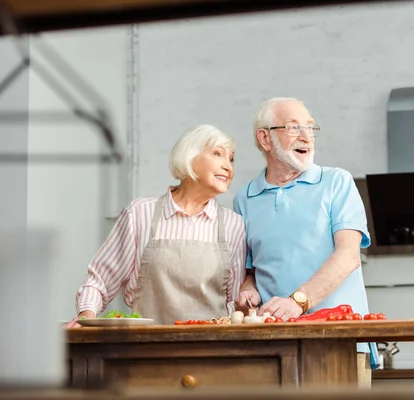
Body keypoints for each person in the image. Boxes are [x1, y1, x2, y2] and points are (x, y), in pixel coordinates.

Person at [232, 98, 379, 387]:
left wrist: (297, 302)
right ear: (265, 138)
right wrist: (247, 289)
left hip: (339, 343)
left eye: (311, 128)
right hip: (271, 346)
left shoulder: (337, 182)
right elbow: (249, 270)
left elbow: (349, 256)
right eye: (294, 127)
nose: (306, 137)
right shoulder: (244, 198)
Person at [66, 124, 246, 327]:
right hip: (146, 351)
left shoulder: (234, 225)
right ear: (189, 156)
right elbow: (99, 281)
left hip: (213, 351)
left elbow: (235, 302)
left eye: (231, 159)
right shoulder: (139, 214)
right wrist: (85, 320)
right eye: (217, 154)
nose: (228, 166)